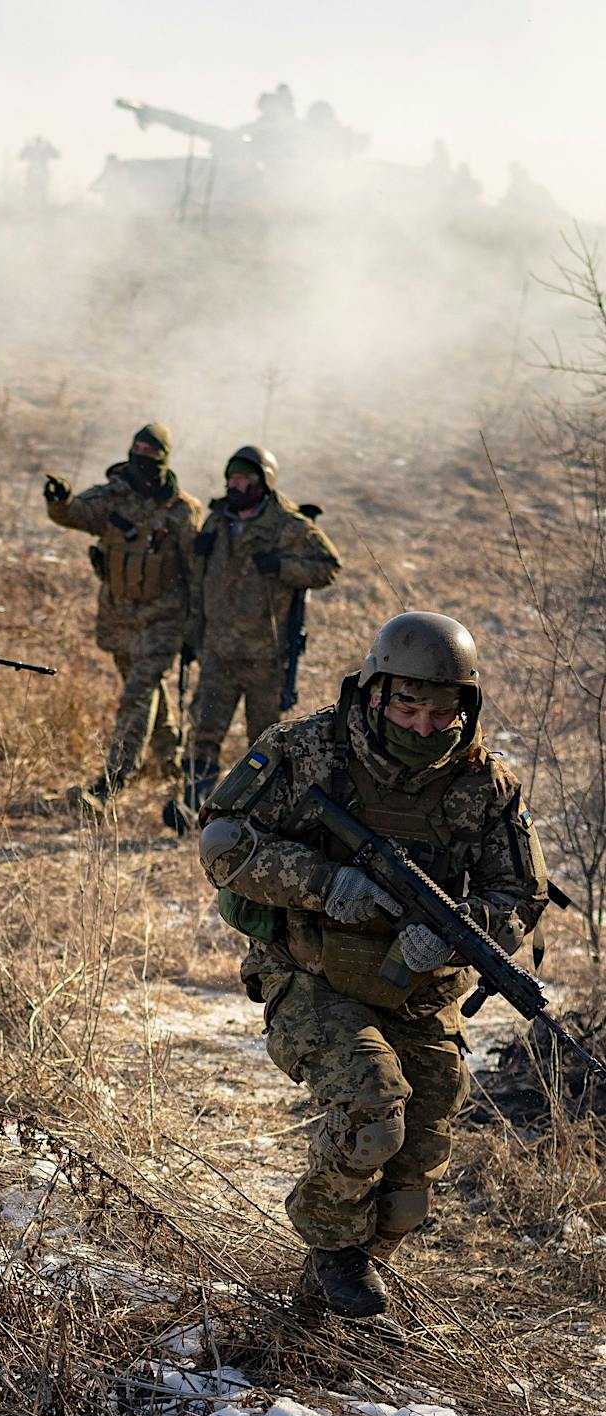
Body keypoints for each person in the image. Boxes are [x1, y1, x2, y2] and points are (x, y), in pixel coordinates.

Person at [197, 612, 547, 1321]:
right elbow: (224, 843)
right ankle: (329, 1242)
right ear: (376, 690)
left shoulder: (488, 785)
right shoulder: (307, 750)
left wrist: (465, 932)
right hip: (312, 973)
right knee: (371, 1115)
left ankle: (318, 1314)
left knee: (412, 1180)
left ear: (466, 706)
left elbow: (520, 894)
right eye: (408, 708)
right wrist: (324, 884)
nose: (423, 727)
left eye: (441, 712)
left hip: (421, 994)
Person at [43, 423, 202, 813]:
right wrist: (59, 501)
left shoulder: (181, 510)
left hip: (164, 618)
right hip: (118, 615)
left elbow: (197, 571)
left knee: (138, 692)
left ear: (164, 459)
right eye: (137, 450)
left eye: (150, 453)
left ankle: (111, 783)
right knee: (146, 689)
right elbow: (76, 513)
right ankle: (169, 762)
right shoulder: (113, 497)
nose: (141, 460)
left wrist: (196, 626)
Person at [182, 444, 340, 812]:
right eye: (230, 478)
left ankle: (258, 813)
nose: (234, 485)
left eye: (243, 479)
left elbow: (327, 565)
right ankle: (195, 806)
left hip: (265, 657)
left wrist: (283, 567)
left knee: (265, 743)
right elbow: (198, 581)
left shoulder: (286, 524)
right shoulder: (217, 520)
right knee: (203, 733)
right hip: (218, 650)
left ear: (263, 483)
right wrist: (193, 633)